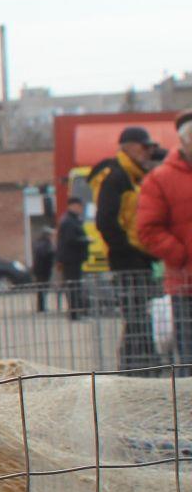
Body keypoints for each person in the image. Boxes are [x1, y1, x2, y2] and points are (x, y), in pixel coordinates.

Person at [93, 125, 161, 371]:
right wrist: (126, 250)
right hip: (127, 259)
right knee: (135, 313)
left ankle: (140, 363)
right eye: (145, 147)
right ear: (129, 147)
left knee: (138, 313)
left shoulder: (134, 175)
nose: (148, 152)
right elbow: (105, 221)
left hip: (139, 256)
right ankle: (138, 365)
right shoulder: (117, 177)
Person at [135, 109, 192, 374]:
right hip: (185, 285)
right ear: (184, 140)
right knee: (189, 359)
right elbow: (148, 229)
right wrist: (181, 255)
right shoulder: (160, 179)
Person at [55, 192, 90, 320]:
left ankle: (76, 312)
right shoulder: (69, 222)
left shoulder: (72, 220)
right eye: (79, 207)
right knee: (73, 286)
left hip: (73, 259)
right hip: (71, 259)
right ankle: (74, 314)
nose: (81, 209)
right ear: (73, 206)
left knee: (74, 286)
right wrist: (85, 240)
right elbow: (70, 240)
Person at [31, 221, 55, 312]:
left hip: (41, 269)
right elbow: (46, 254)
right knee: (42, 288)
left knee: (42, 289)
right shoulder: (45, 243)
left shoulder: (39, 242)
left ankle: (41, 306)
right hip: (43, 269)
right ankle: (41, 307)